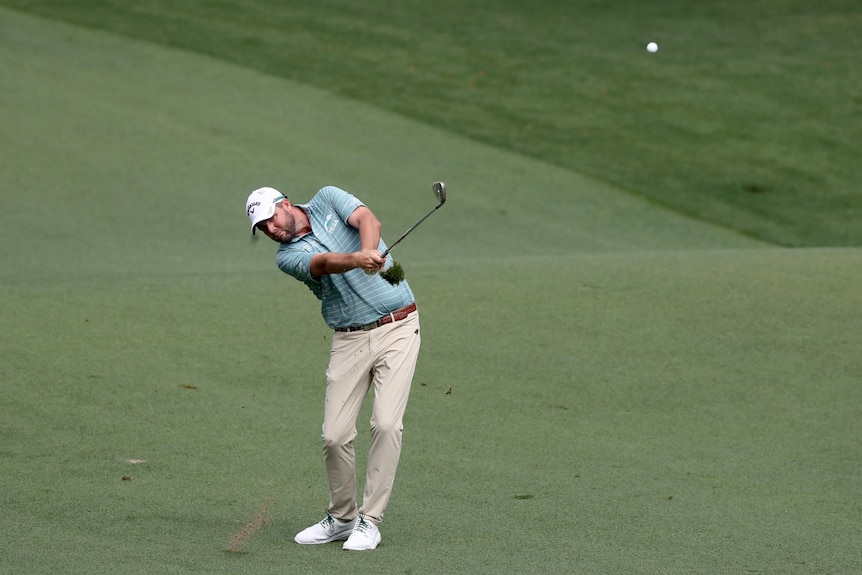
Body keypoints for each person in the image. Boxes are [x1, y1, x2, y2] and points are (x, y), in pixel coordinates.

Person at [245, 185, 421, 551]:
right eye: (262, 229)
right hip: (349, 339)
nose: (271, 230)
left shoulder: (327, 198)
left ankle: (369, 521)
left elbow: (366, 219)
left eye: (270, 219)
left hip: (398, 326)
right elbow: (322, 265)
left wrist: (370, 249)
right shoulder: (286, 257)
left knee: (386, 424)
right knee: (335, 435)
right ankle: (342, 518)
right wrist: (359, 260)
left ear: (286, 204)